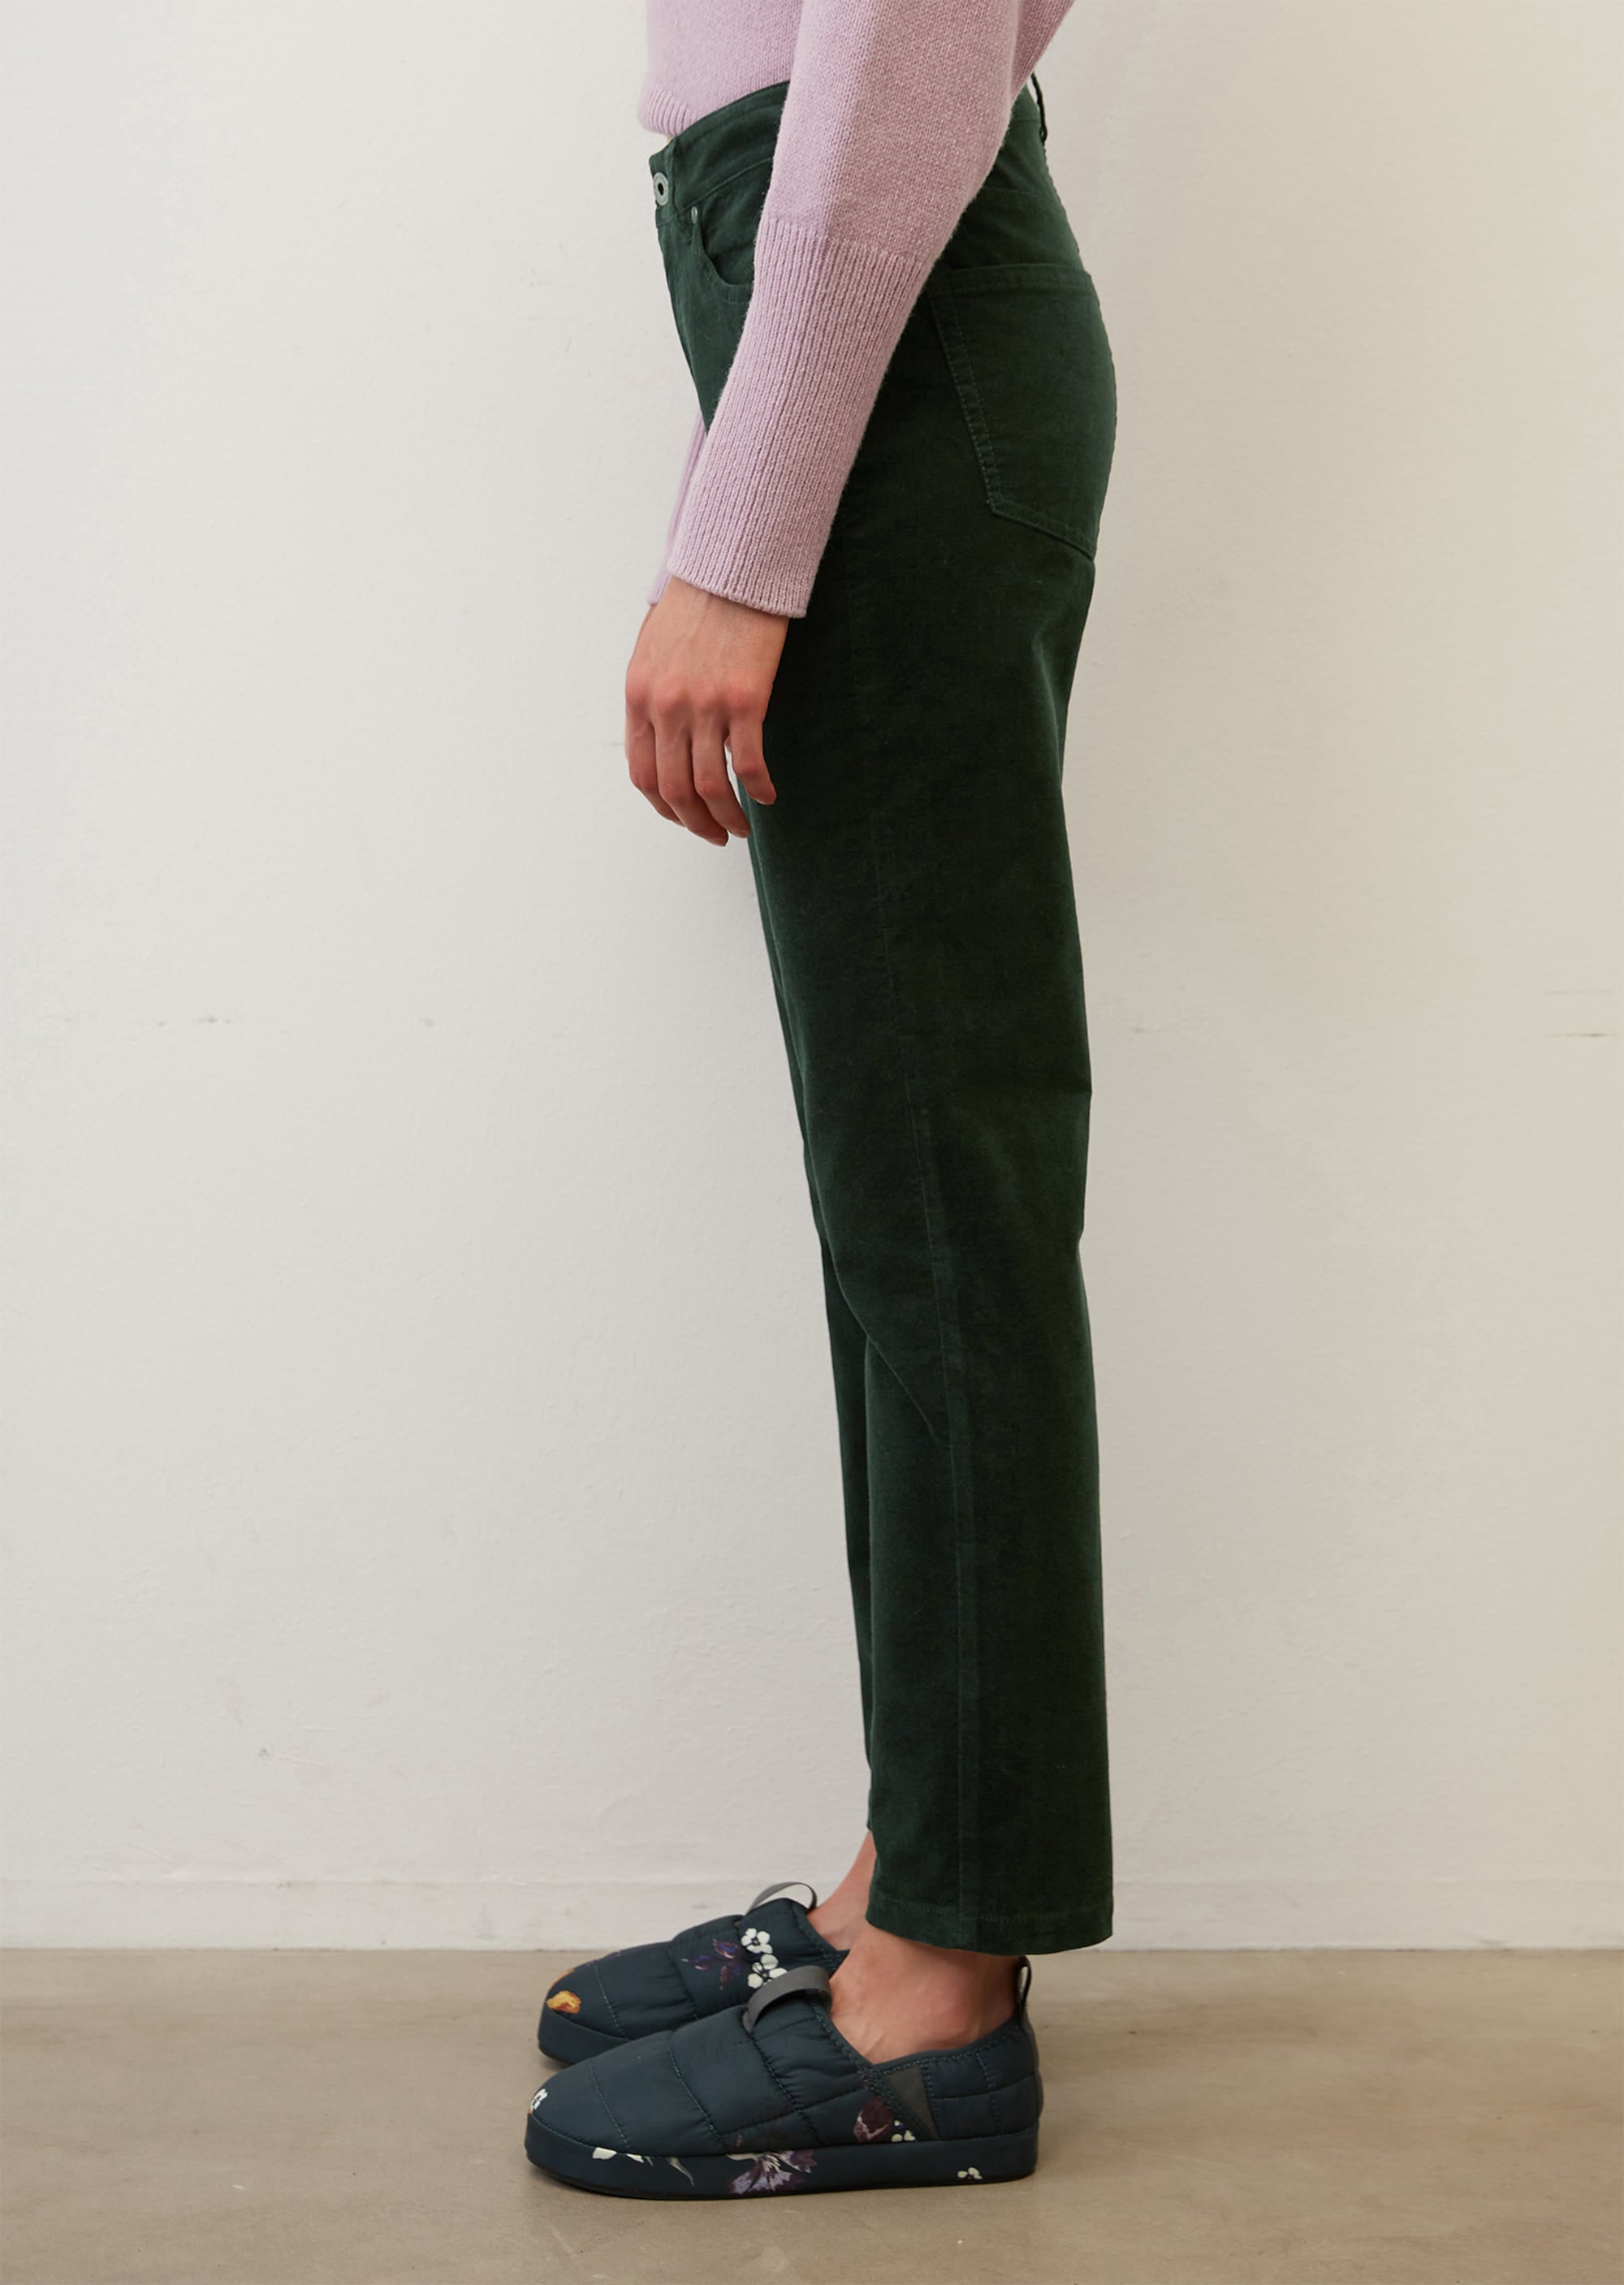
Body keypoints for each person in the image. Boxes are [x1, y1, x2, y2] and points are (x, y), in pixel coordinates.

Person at [525, 0, 1116, 2200]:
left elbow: (908, 54)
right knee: (908, 1194)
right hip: (869, 310)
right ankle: (911, 1876)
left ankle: (941, 1994)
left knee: (945, 1192)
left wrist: (740, 541)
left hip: (890, 328)